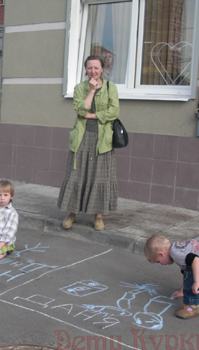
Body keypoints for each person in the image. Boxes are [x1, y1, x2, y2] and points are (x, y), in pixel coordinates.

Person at [57, 55, 119, 231]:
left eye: (96, 68)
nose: (93, 71)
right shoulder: (80, 88)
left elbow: (114, 111)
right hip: (82, 138)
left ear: (102, 69)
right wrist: (91, 91)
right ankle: (71, 213)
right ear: (86, 69)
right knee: (76, 174)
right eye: (90, 68)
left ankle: (98, 216)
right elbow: (79, 109)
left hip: (103, 139)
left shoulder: (110, 87)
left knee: (99, 176)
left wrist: (94, 115)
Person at [144, 234, 199, 319]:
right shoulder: (176, 248)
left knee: (192, 273)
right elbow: (187, 271)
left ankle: (192, 306)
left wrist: (195, 282)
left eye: (158, 261)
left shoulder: (177, 254)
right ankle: (196, 292)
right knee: (195, 272)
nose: (161, 264)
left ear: (161, 254)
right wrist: (182, 290)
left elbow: (195, 260)